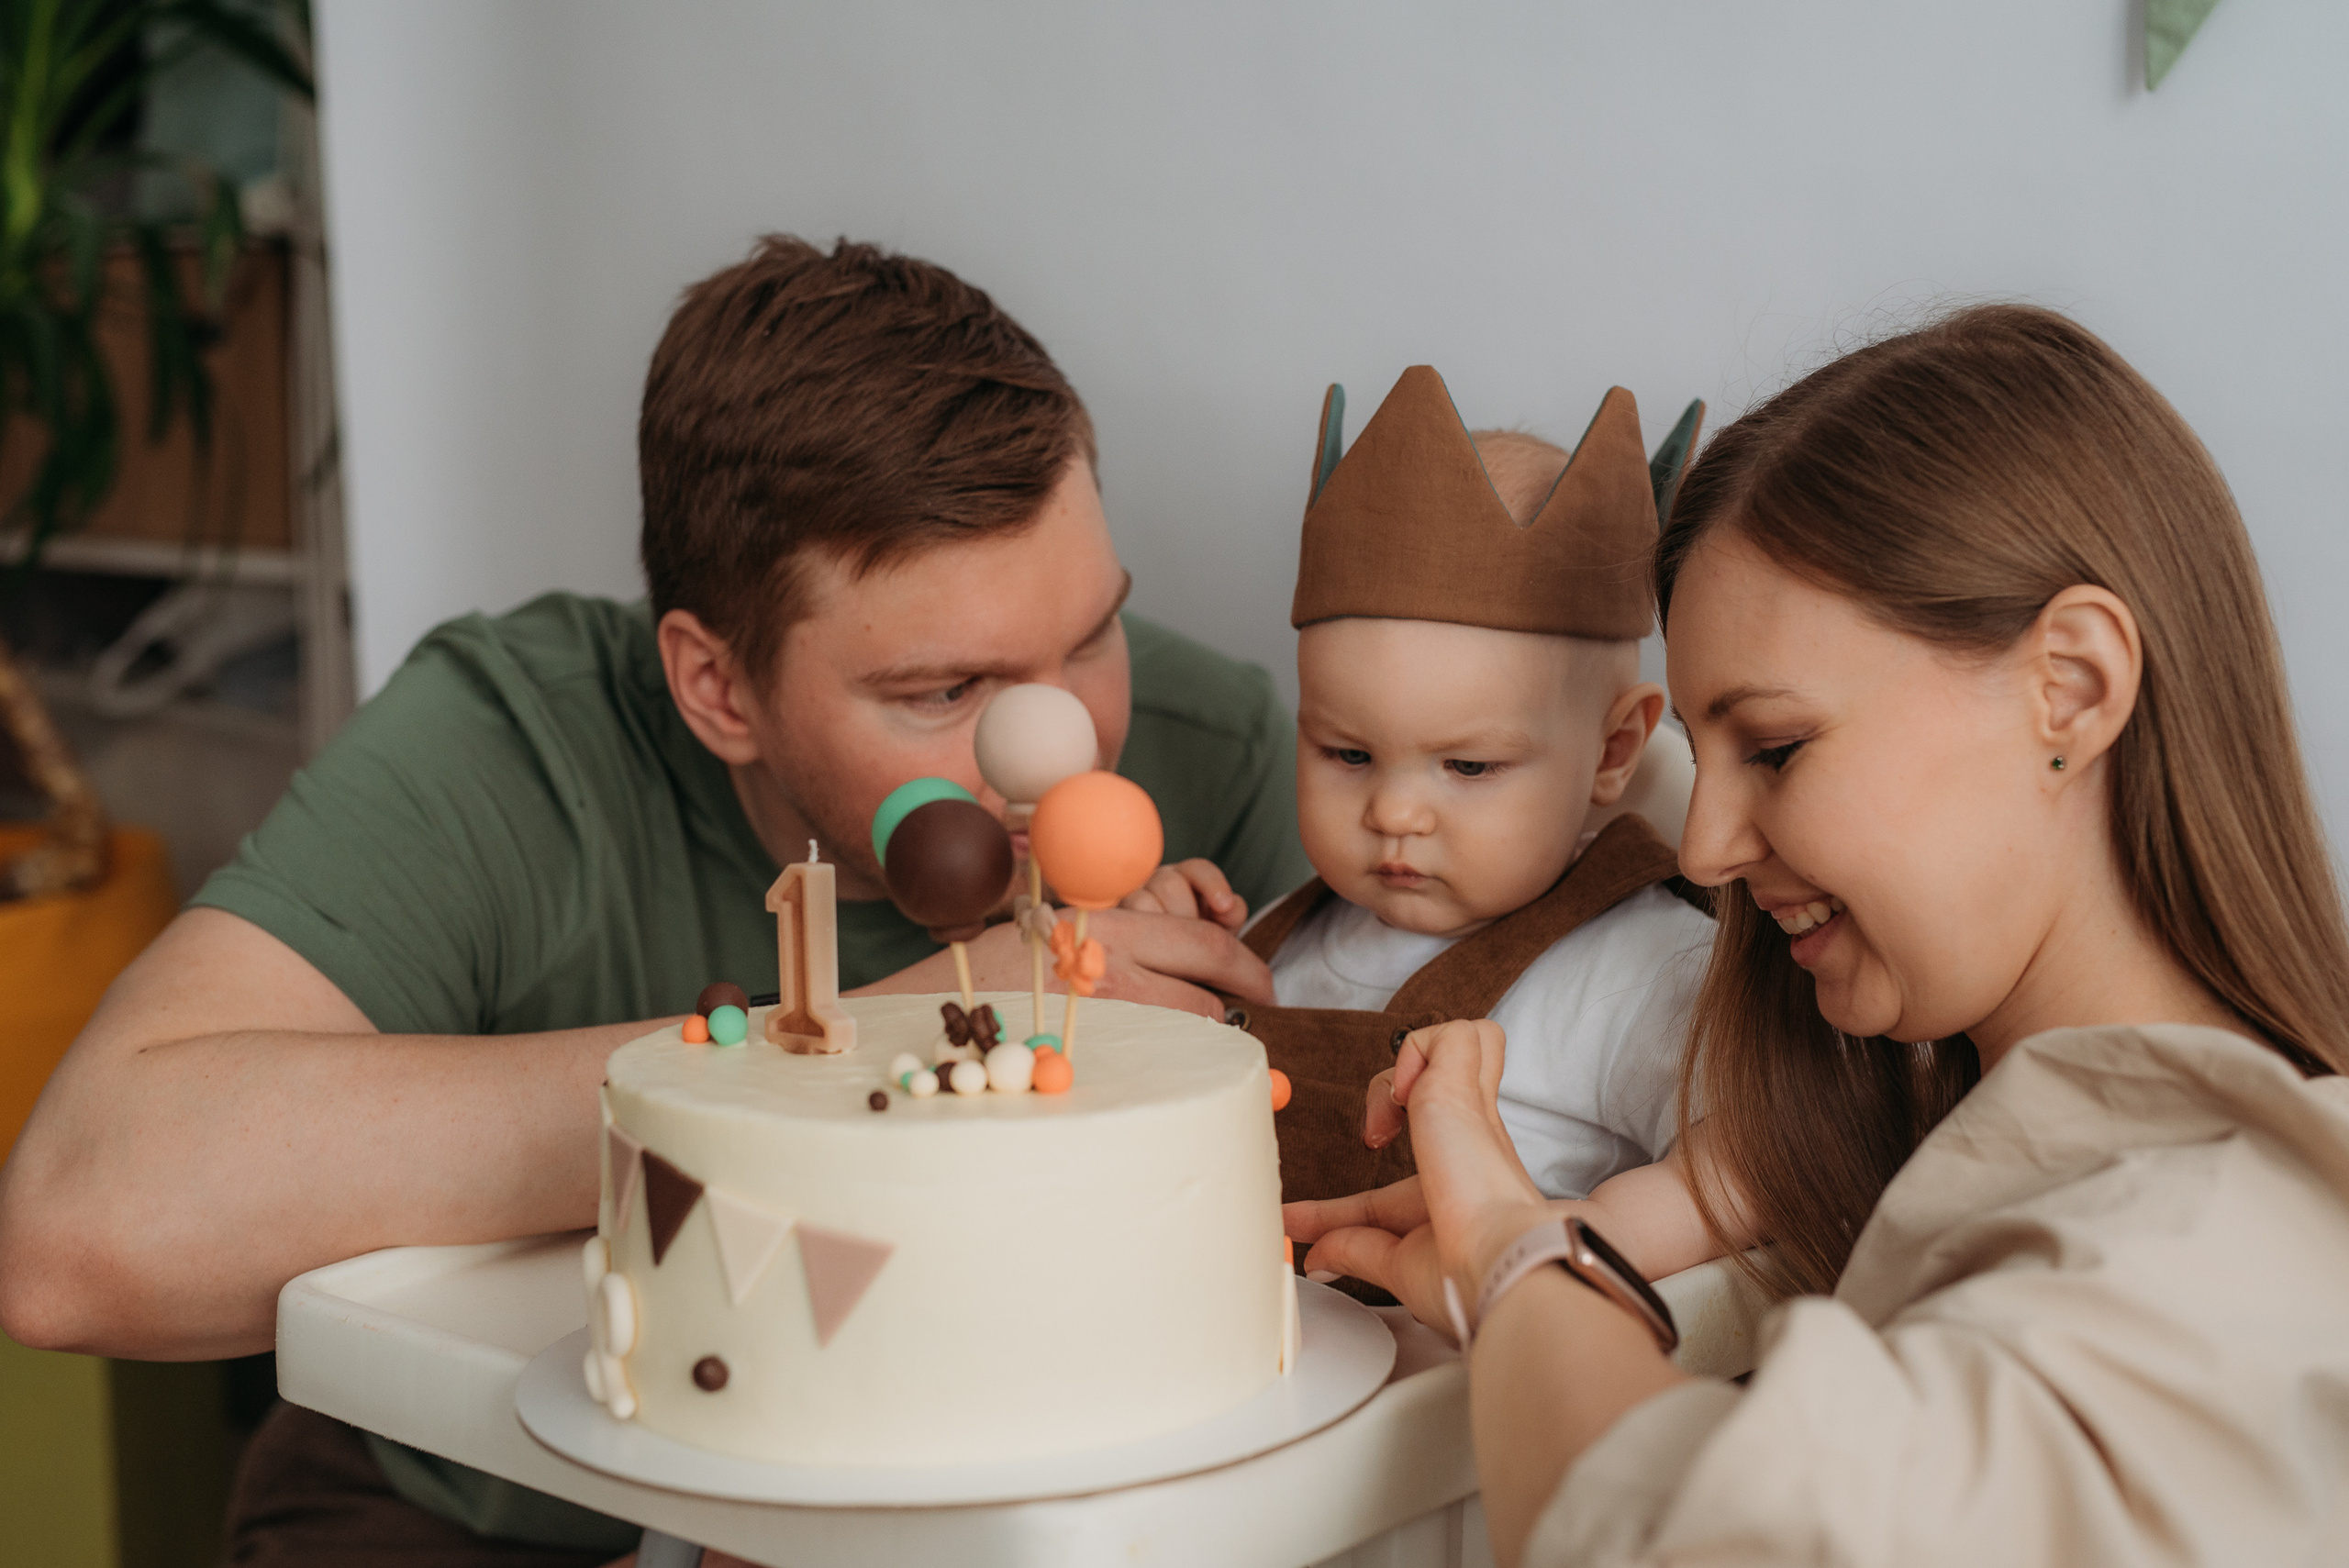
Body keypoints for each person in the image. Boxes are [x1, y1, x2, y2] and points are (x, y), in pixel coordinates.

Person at [0, 237, 1309, 1565]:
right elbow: (80, 1231)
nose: (1062, 741)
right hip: (484, 1517)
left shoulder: (1223, 746)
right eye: (943, 692)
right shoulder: (516, 741)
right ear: (718, 688)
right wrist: (865, 1044)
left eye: (1090, 635)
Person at [1286, 305, 2349, 1566]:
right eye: (1704, 759)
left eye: (1778, 748)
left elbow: (1701, 1539)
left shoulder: (2214, 1243)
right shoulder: (1969, 1141)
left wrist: (1519, 1260)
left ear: (2069, 687)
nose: (1703, 847)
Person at [1134, 367, 1716, 1218]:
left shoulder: (1648, 969)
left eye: (1468, 766)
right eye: (1349, 753)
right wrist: (1169, 980)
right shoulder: (1282, 936)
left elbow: (1762, 1161)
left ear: (1614, 748)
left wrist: (1580, 1239)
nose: (1393, 813)